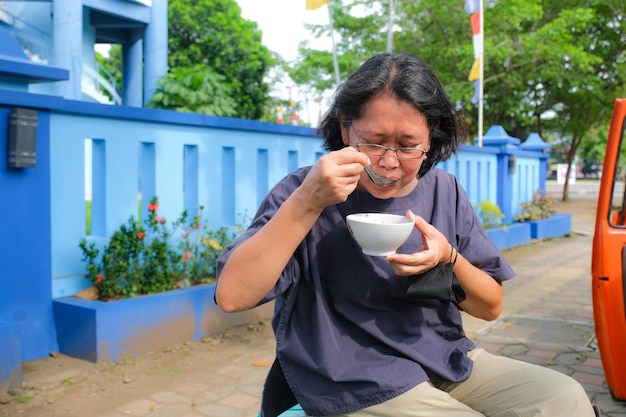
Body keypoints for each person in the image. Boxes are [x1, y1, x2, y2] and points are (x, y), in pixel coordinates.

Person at [215, 53, 596, 417]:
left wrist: (449, 259)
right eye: (374, 141)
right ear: (345, 127)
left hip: (444, 360)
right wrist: (307, 202)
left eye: (408, 145)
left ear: (431, 138)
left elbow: (490, 306)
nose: (389, 161)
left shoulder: (444, 190)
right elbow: (232, 296)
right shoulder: (306, 191)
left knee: (563, 399)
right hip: (349, 376)